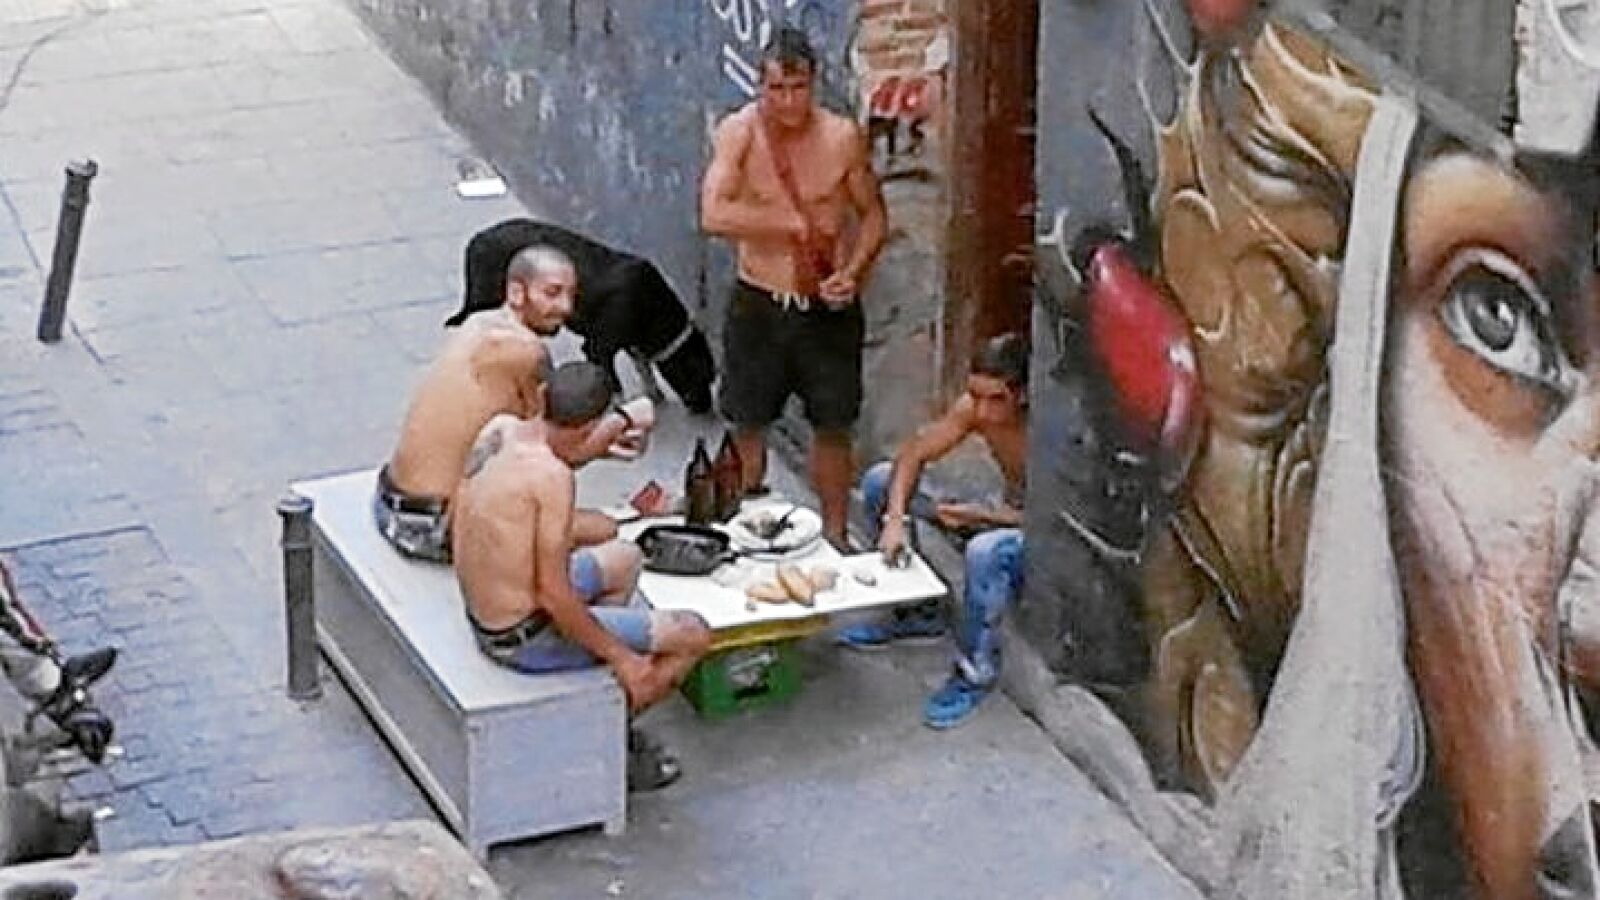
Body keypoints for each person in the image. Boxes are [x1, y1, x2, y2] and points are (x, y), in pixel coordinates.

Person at [452, 361, 712, 789]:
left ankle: (595, 690)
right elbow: (553, 595)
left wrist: (612, 431)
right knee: (691, 634)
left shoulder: (501, 431)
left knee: (625, 557)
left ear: (542, 398)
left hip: (488, 605)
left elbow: (559, 453)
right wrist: (623, 658)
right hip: (522, 635)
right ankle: (604, 738)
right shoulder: (551, 479)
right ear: (588, 426)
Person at [700, 25, 887, 548]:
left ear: (814, 83)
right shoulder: (740, 133)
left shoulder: (841, 138)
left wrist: (854, 273)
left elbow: (873, 216)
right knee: (748, 423)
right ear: (760, 87)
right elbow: (713, 213)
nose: (787, 101)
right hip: (760, 300)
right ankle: (741, 532)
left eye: (798, 88)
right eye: (776, 89)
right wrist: (787, 224)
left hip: (825, 306)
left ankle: (836, 535)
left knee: (834, 425)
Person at [375, 243, 648, 562]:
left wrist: (601, 444)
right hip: (430, 524)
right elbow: (556, 451)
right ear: (517, 292)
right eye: (552, 293)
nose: (565, 308)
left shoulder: (478, 323)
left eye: (571, 296)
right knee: (603, 531)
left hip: (391, 497)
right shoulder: (525, 352)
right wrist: (624, 419)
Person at [838, 334, 1029, 729]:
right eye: (975, 395)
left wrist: (985, 517)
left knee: (985, 552)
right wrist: (894, 521)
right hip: (998, 509)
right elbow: (913, 454)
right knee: (880, 481)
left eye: (995, 399)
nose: (982, 410)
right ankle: (918, 611)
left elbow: (1054, 521)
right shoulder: (974, 409)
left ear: (1023, 395)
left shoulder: (1049, 432)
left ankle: (975, 672)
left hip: (1032, 529)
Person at [451, 218, 717, 413]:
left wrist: (652, 390)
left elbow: (636, 341)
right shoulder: (631, 308)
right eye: (691, 389)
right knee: (490, 327)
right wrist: (615, 401)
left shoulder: (654, 292)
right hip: (499, 255)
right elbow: (596, 351)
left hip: (521, 245)